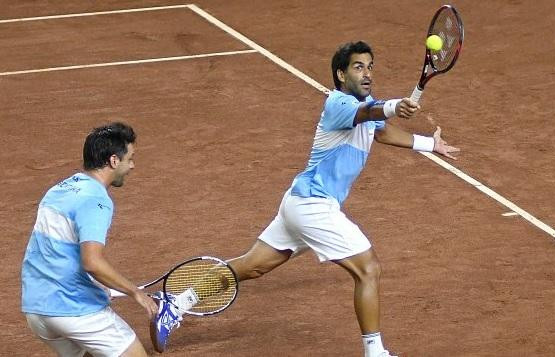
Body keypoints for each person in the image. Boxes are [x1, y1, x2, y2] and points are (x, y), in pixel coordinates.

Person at [151, 41, 460, 356]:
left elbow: (381, 131)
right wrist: (395, 106)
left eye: (370, 67)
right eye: (358, 67)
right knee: (368, 269)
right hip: (314, 205)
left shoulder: (366, 105)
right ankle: (375, 352)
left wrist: (428, 144)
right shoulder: (339, 104)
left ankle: (175, 304)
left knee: (250, 267)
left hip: (299, 204)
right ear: (340, 75)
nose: (367, 73)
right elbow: (370, 113)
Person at [21, 122, 158, 357]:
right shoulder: (96, 200)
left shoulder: (59, 189)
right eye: (130, 159)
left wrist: (97, 286)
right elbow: (91, 262)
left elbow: (55, 252)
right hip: (73, 311)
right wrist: (135, 292)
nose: (132, 166)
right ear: (114, 161)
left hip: (37, 310)